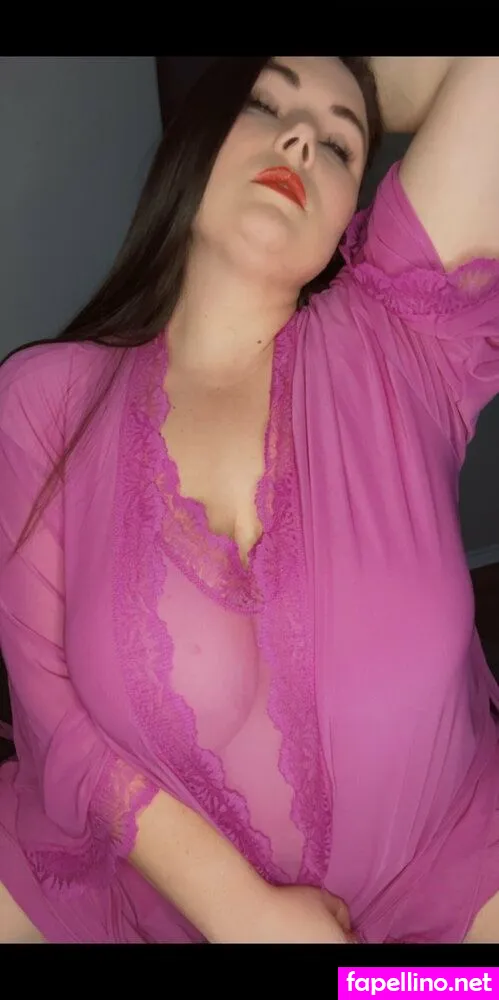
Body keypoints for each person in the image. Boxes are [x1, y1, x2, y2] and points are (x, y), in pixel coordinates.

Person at [0, 55, 499, 945]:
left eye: (340, 146)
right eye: (263, 103)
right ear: (193, 143)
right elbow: (49, 705)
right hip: (133, 896)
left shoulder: (405, 345)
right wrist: (243, 916)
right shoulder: (44, 403)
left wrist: (357, 80)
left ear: (350, 217)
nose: (300, 139)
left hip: (445, 899)